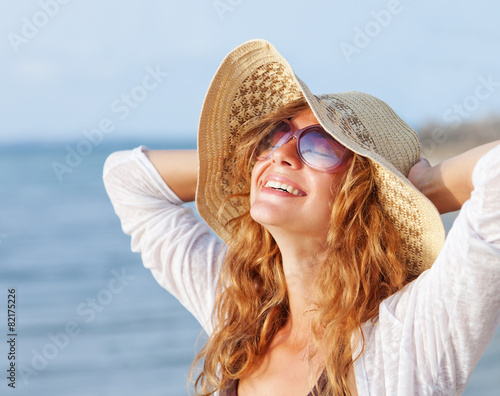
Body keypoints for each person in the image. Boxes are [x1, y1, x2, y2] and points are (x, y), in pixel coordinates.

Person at [103, 40, 500, 395]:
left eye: (320, 145)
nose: (281, 153)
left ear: (361, 193)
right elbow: (126, 179)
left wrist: (424, 187)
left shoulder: (410, 336)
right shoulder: (242, 311)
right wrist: (255, 166)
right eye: (273, 136)